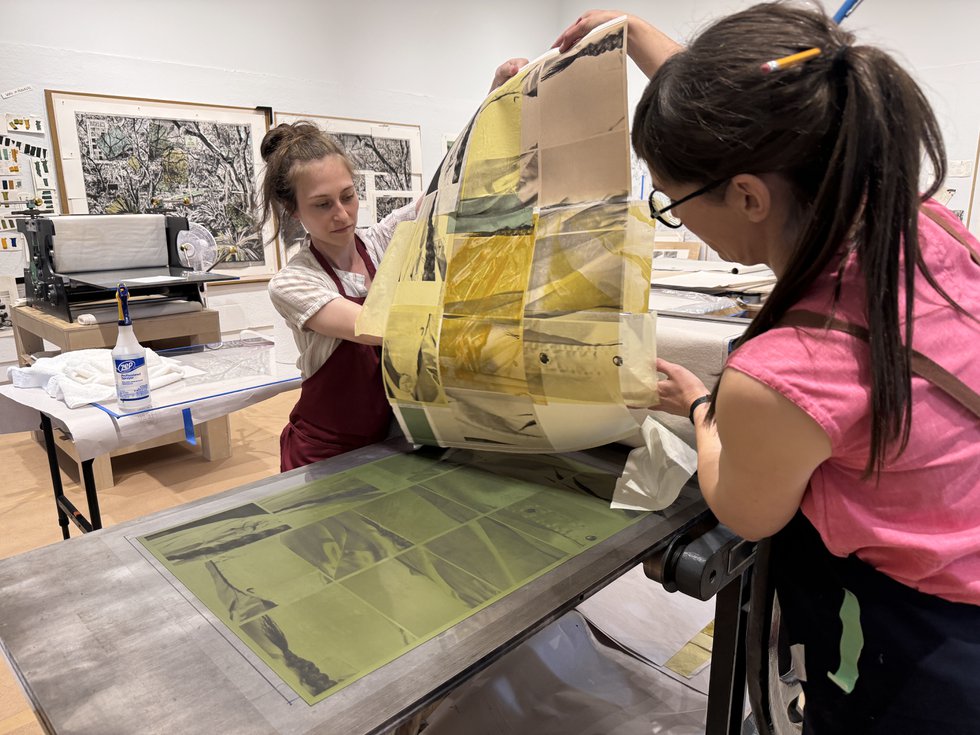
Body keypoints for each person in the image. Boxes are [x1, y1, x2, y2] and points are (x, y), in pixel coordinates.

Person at [556, 5, 980, 733]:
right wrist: (635, 35)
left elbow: (746, 509)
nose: (679, 217)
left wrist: (700, 405)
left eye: (673, 199)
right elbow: (763, 118)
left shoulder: (786, 367)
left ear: (749, 194)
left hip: (923, 648)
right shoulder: (920, 223)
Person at [263, 59, 528, 473]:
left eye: (348, 196)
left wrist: (492, 98)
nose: (342, 214)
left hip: (388, 440)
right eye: (322, 204)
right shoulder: (293, 282)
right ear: (293, 212)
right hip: (324, 452)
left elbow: (444, 190)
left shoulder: (381, 240)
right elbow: (374, 326)